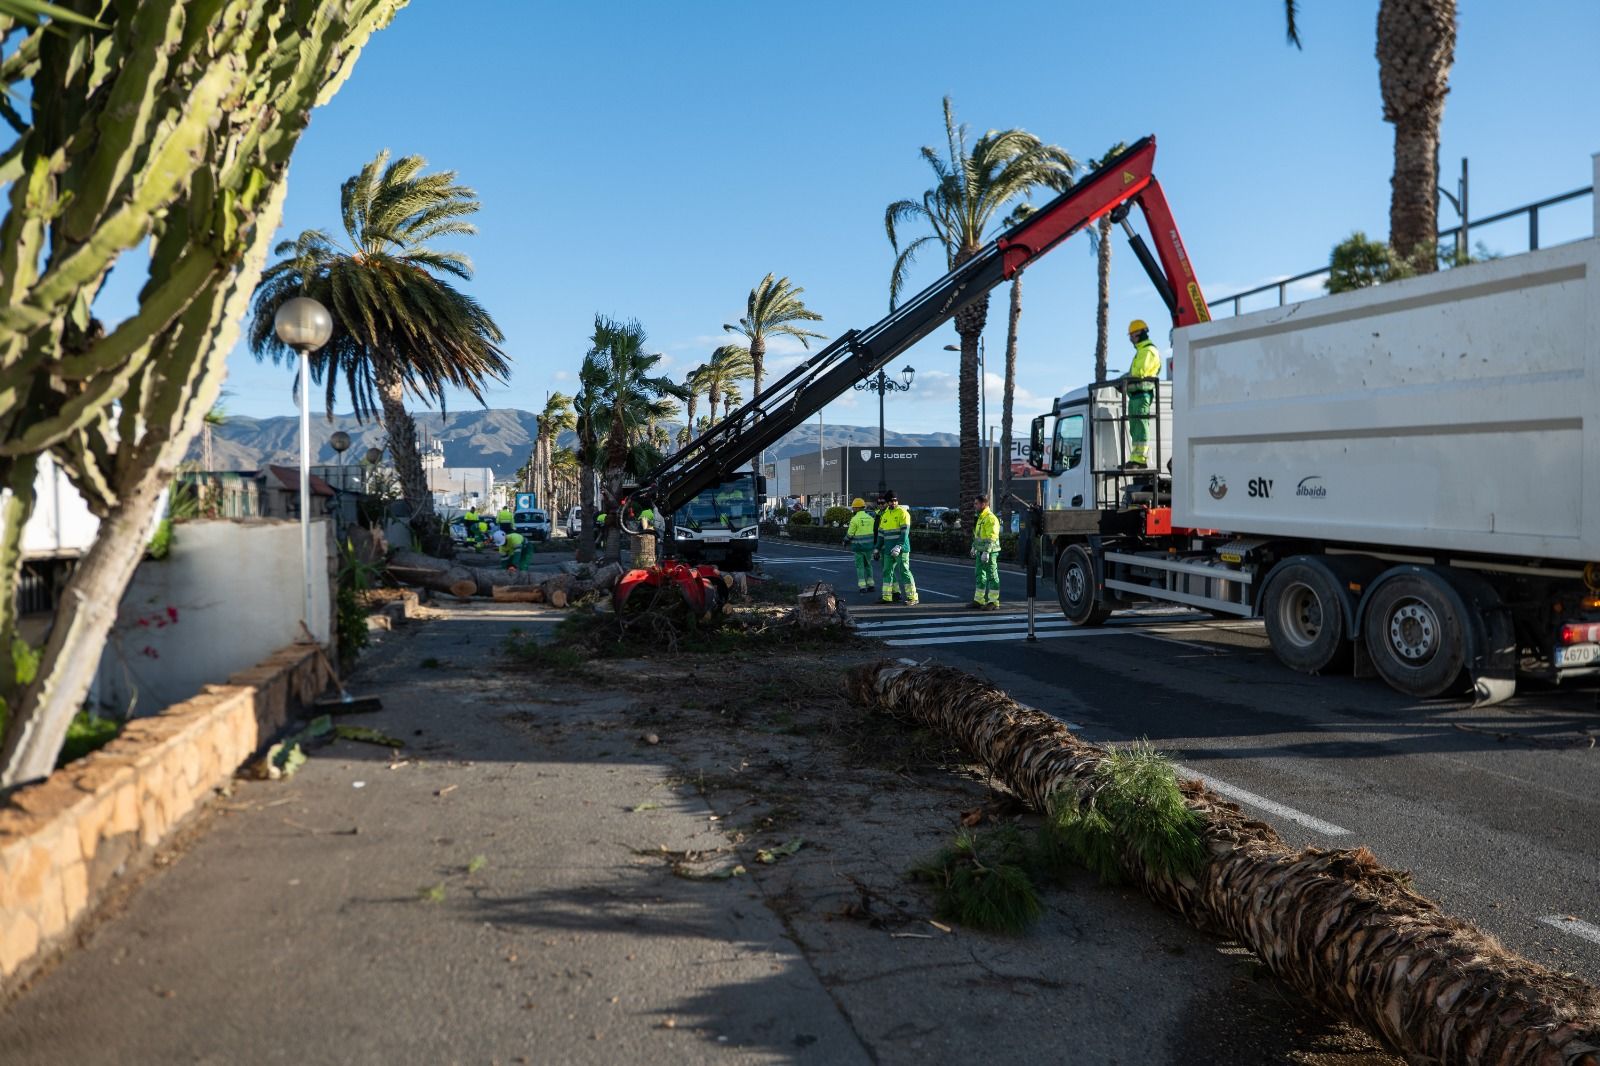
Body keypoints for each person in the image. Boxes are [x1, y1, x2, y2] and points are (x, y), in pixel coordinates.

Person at [1125, 318, 1162, 468]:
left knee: (1140, 426)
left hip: (1142, 394)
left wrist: (1125, 380)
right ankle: (1135, 458)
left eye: (1132, 336)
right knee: (1135, 428)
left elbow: (1140, 372)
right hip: (1135, 395)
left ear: (1139, 334)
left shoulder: (1148, 351)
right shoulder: (1141, 351)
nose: (1131, 340)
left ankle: (1141, 460)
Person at [876, 490, 917, 606]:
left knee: (904, 571)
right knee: (887, 572)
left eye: (895, 500)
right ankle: (887, 597)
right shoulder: (885, 515)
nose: (893, 503)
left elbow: (905, 532)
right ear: (887, 502)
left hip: (902, 549)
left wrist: (899, 546)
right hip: (888, 549)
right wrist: (877, 548)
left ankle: (912, 597)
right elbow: (881, 534)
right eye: (891, 501)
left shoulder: (903, 513)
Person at [969, 494, 1001, 609]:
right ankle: (979, 600)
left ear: (983, 504)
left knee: (992, 576)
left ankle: (993, 602)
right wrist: (974, 546)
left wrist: (987, 552)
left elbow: (992, 537)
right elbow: (978, 536)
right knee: (980, 576)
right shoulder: (981, 517)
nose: (974, 506)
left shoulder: (990, 518)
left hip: (990, 552)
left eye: (976, 503)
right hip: (981, 551)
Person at [844, 498, 877, 594]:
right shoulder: (871, 519)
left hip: (858, 547)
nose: (853, 509)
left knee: (860, 567)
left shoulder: (855, 519)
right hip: (869, 547)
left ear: (857, 508)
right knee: (868, 565)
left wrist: (845, 540)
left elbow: (850, 534)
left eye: (854, 508)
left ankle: (862, 587)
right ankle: (871, 585)